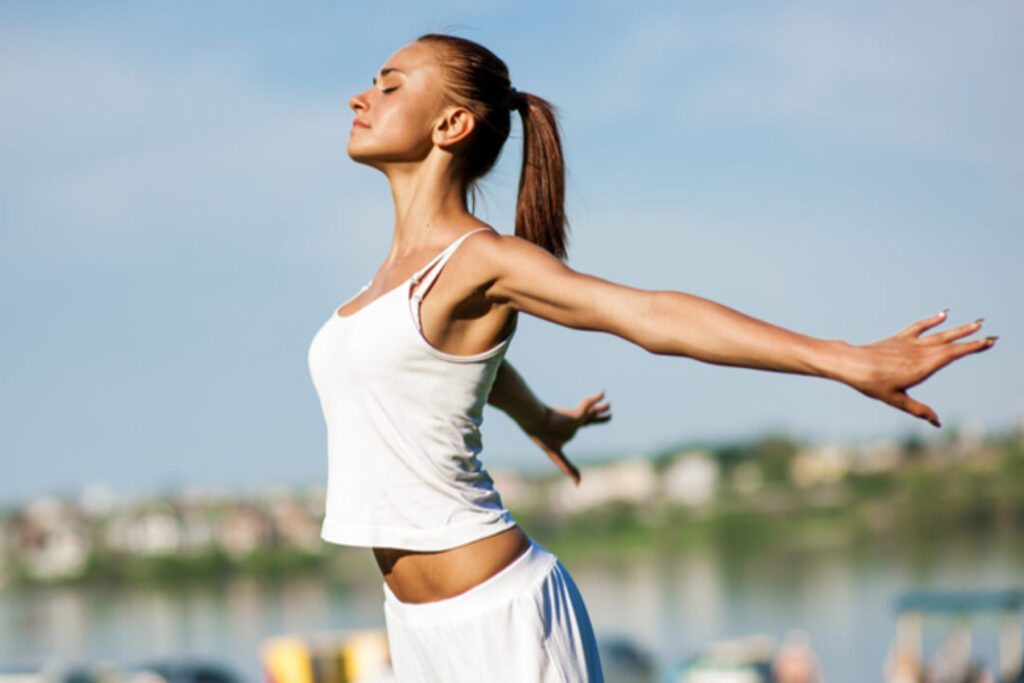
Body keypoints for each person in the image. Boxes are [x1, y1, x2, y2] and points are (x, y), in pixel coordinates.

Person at [306, 34, 995, 683]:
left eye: (389, 86)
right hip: (416, 627)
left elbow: (651, 315)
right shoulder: (387, 282)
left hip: (504, 618)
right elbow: (442, 371)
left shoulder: (481, 259)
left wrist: (847, 360)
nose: (358, 98)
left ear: (451, 125)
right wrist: (539, 417)